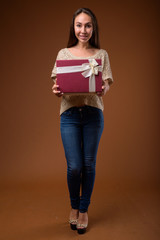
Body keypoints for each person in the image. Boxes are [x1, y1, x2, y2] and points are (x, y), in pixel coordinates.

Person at [51, 7, 113, 234]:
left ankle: (83, 209)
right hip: (69, 115)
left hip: (93, 115)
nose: (83, 30)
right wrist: (56, 90)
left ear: (93, 28)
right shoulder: (63, 54)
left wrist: (103, 88)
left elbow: (106, 82)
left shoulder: (101, 54)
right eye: (79, 25)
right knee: (74, 166)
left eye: (88, 25)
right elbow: (57, 84)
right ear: (73, 27)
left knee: (88, 164)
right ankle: (73, 206)